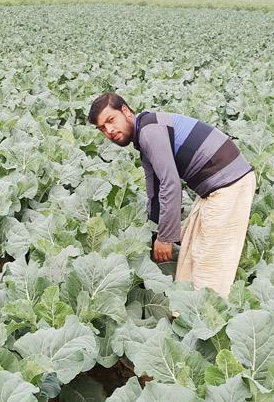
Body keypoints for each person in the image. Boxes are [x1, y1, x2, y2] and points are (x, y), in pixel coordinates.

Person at [88, 93, 256, 298]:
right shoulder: (145, 134)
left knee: (209, 262)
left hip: (230, 184)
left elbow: (170, 184)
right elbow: (155, 190)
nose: (110, 131)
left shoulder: (150, 131)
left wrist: (165, 238)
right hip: (215, 187)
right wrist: (151, 232)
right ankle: (183, 309)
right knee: (189, 254)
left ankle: (206, 315)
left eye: (111, 121)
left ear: (125, 111)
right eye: (102, 128)